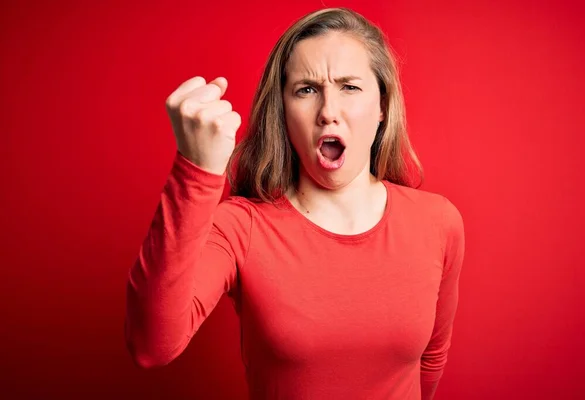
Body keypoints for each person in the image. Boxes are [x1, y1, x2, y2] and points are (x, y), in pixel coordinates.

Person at [125, 7, 465, 400]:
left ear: (382, 107)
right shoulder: (240, 226)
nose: (328, 112)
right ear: (284, 112)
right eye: (306, 89)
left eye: (349, 87)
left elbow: (432, 359)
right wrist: (196, 170)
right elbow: (151, 345)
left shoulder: (438, 222)